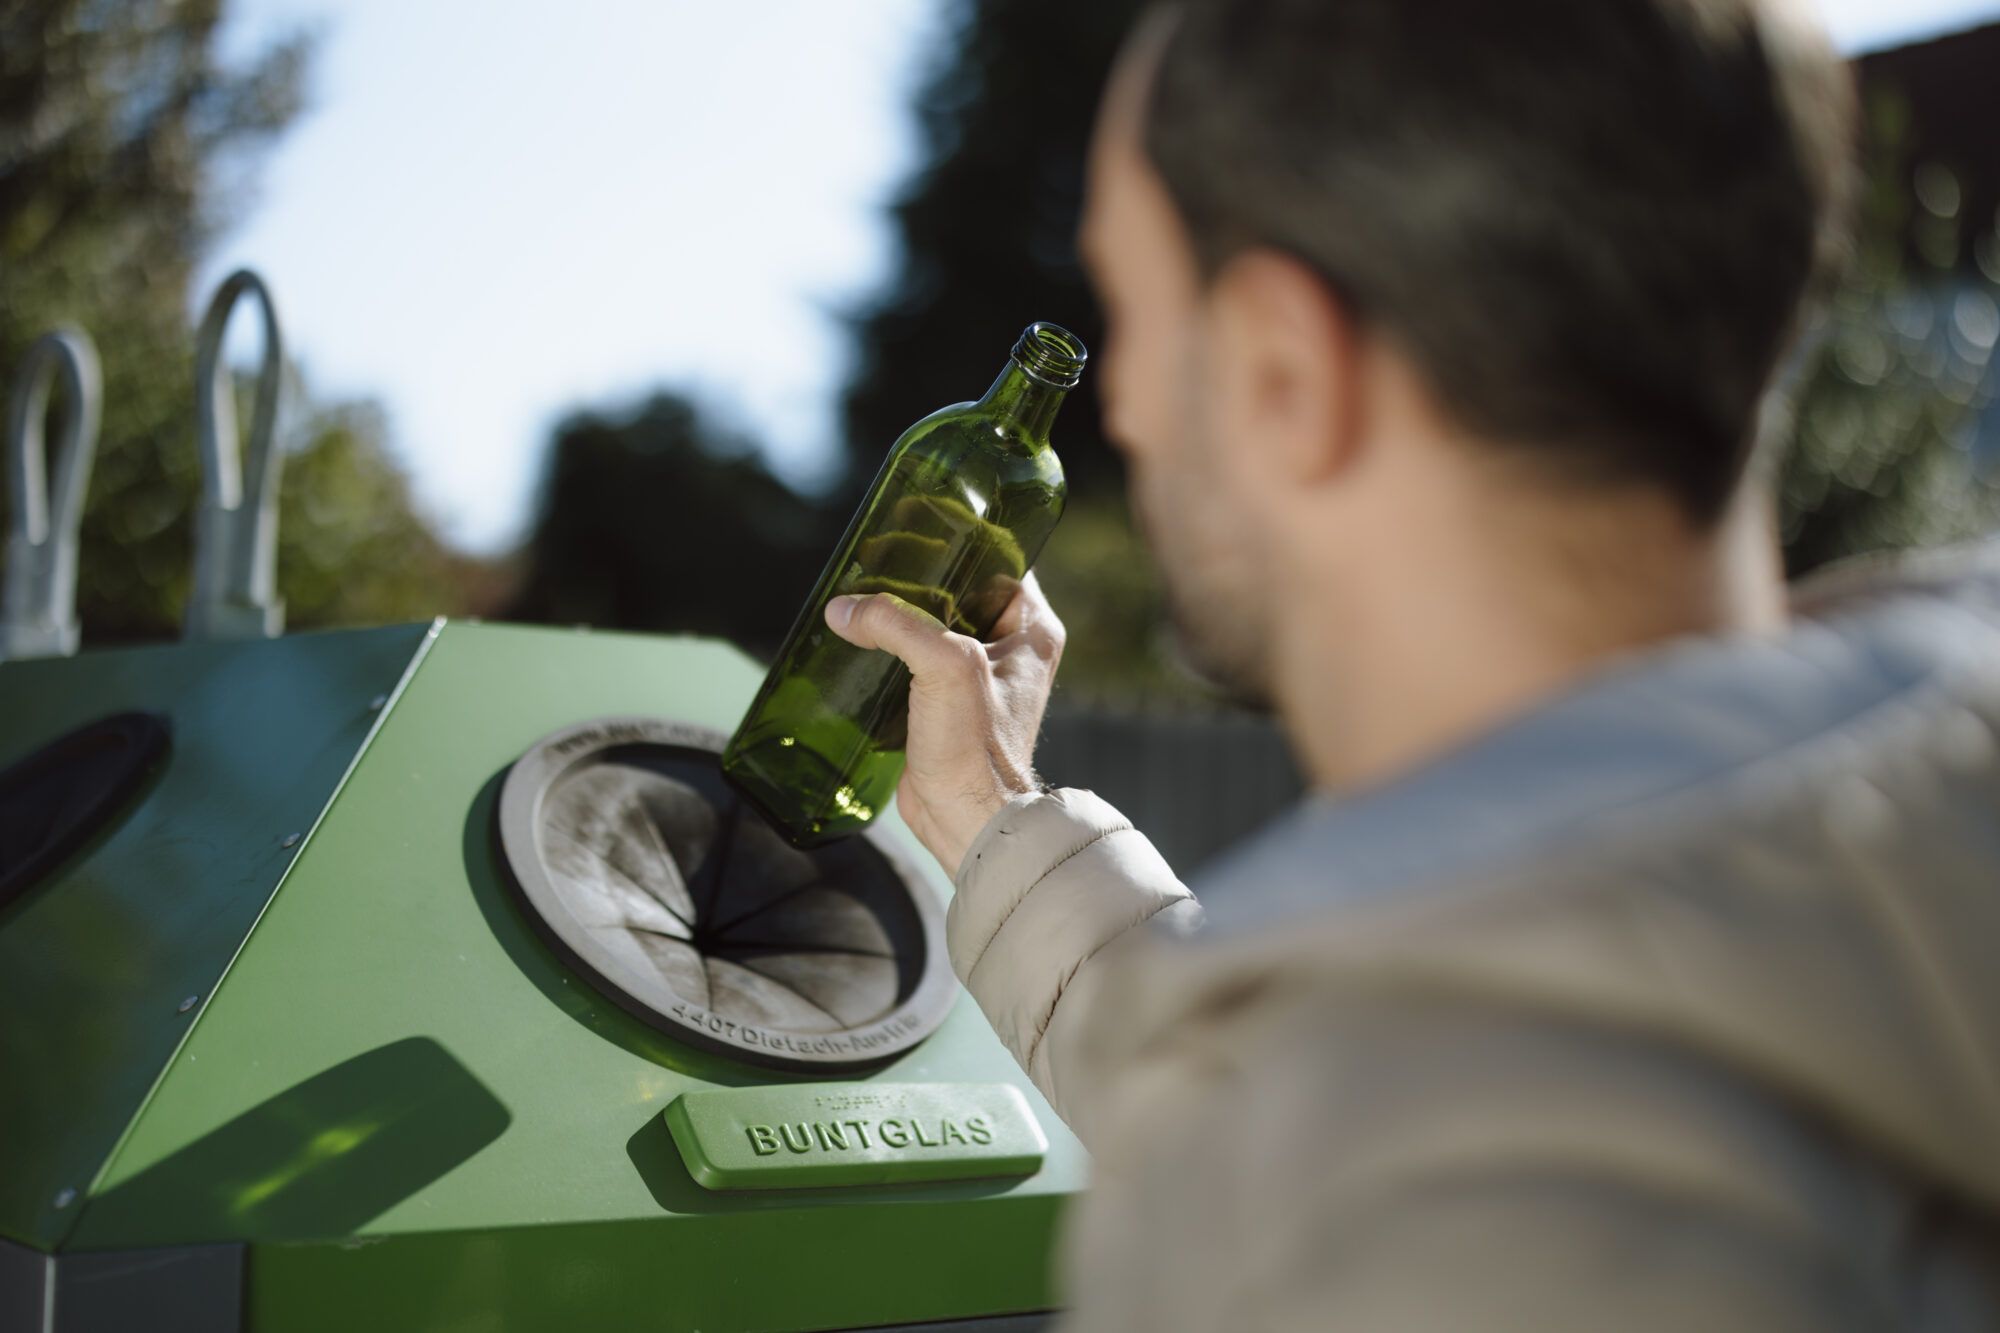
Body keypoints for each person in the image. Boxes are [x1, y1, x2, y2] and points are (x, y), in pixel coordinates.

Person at [827, 0, 2000, 1327]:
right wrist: (992, 816)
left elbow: (1366, 1118)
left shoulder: (1364, 1188)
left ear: (1281, 367)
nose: (1127, 406)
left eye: (1135, 311)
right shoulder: (1904, 833)